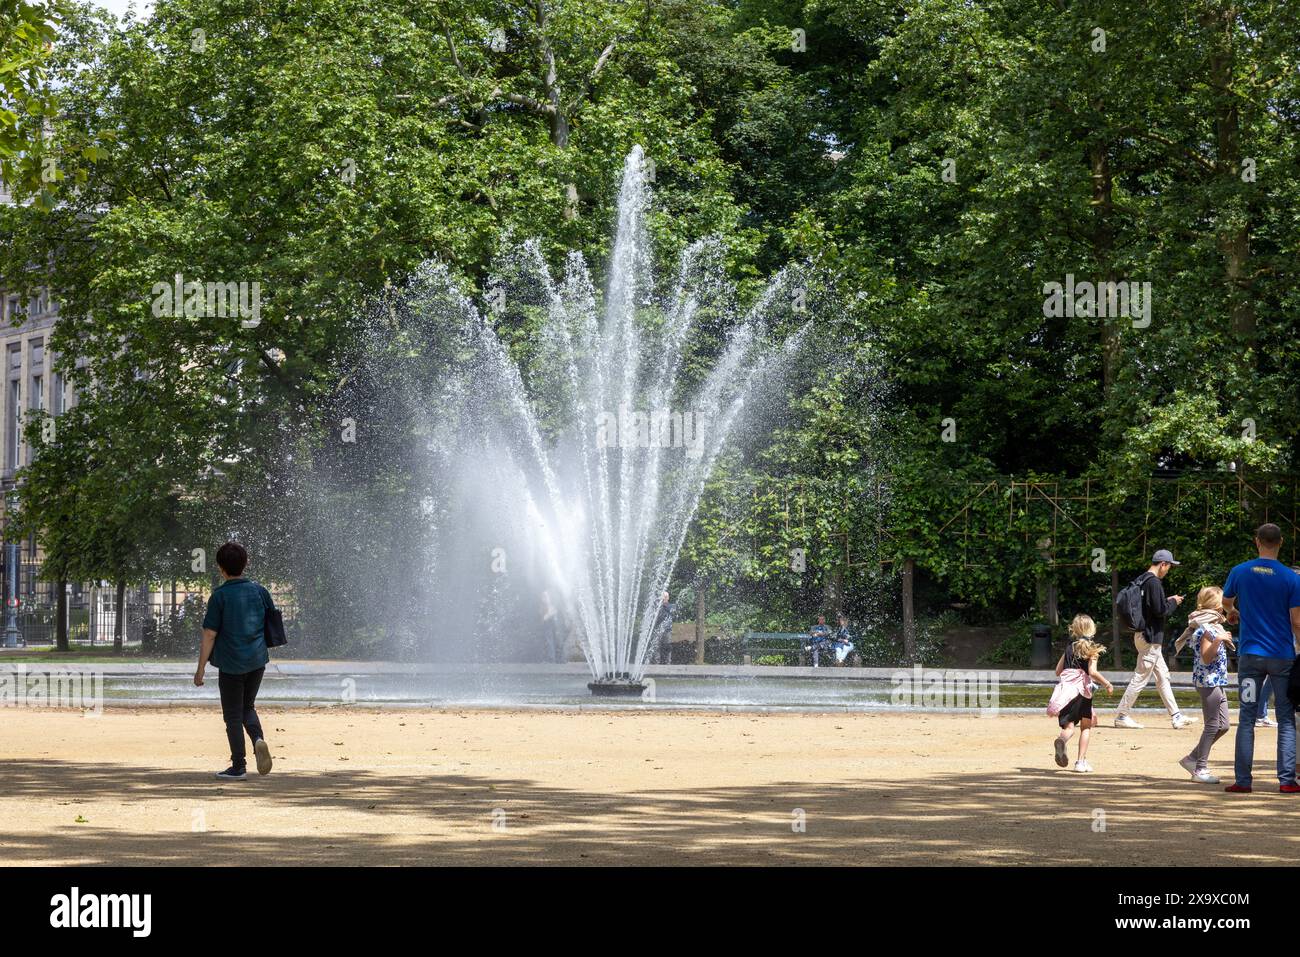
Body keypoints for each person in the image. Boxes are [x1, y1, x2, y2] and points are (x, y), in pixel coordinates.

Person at [1222, 524, 1300, 794]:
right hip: (1282, 658)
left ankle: (1243, 781)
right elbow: (1297, 621)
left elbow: (1226, 601)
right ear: (1281, 542)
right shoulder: (1292, 578)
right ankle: (1287, 781)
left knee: (1246, 718)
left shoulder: (1240, 571)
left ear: (1257, 542)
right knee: (1286, 719)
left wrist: (1233, 611)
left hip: (1250, 656)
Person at [194, 542, 275, 780]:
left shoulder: (220, 596)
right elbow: (270, 621)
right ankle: (258, 739)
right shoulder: (260, 591)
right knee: (247, 707)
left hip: (231, 664)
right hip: (257, 660)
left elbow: (210, 634)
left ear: (221, 568)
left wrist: (200, 670)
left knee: (232, 715)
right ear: (245, 564)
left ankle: (238, 766)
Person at [1113, 549, 1194, 730]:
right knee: (1140, 677)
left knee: (1163, 677)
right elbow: (1161, 611)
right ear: (1163, 564)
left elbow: (1151, 606)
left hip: (1143, 635)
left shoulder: (1143, 579)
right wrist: (1173, 602)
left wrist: (1168, 599)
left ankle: (1176, 716)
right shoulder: (1154, 582)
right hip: (1150, 638)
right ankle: (1122, 715)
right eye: (1169, 566)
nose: (1169, 570)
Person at [1177, 586, 1235, 784]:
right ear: (1217, 606)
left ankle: (1192, 759)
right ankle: (1200, 769)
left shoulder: (1212, 626)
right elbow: (1206, 658)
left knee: (1224, 725)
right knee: (1212, 725)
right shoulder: (1205, 629)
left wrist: (1219, 636)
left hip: (1216, 682)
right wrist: (1219, 639)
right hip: (1208, 682)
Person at [1049, 614, 1113, 773]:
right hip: (1082, 694)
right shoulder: (1092, 649)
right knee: (1086, 727)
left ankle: (1062, 740)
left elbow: (1058, 671)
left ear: (1074, 630)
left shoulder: (1068, 648)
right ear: (1092, 630)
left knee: (1069, 726)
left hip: (1066, 692)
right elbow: (1092, 672)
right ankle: (1080, 762)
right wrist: (1107, 683)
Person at [540, 590, 563, 663]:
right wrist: (549, 614)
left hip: (556, 630)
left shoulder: (554, 606)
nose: (545, 598)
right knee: (549, 644)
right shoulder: (542, 608)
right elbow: (542, 619)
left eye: (546, 596)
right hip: (547, 630)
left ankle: (559, 660)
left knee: (558, 644)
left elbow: (560, 618)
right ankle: (551, 660)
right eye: (543, 596)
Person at [652, 591, 674, 664]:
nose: (663, 598)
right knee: (656, 646)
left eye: (665, 597)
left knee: (667, 646)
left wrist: (662, 604)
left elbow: (670, 611)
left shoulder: (671, 606)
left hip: (667, 630)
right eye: (662, 597)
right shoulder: (658, 607)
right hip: (658, 629)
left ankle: (668, 662)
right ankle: (656, 662)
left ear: (668, 598)